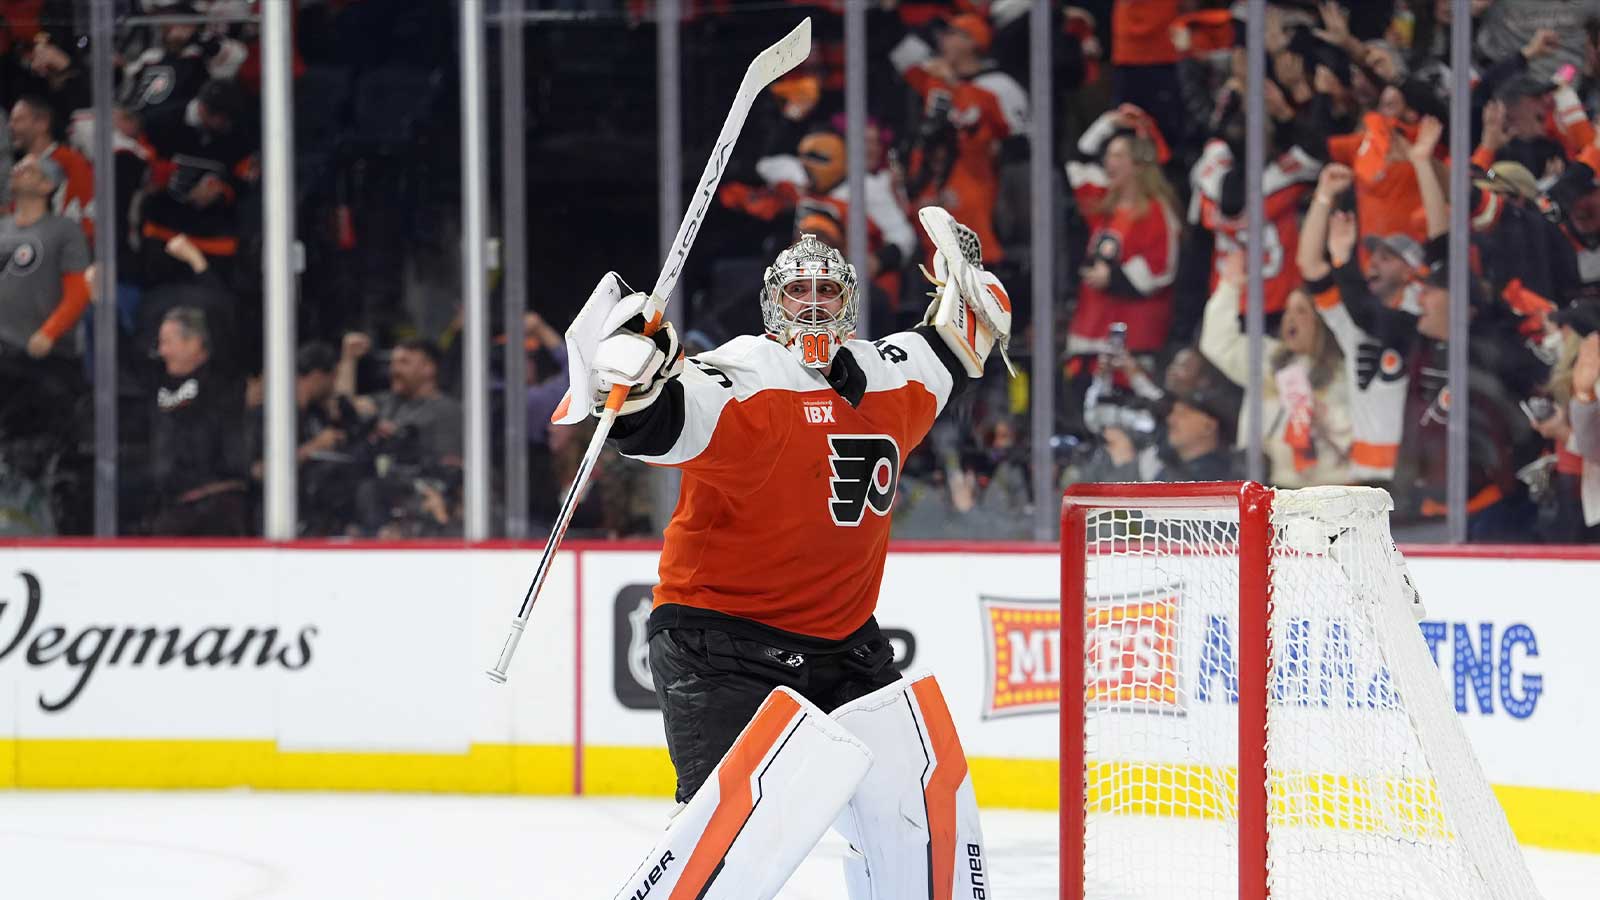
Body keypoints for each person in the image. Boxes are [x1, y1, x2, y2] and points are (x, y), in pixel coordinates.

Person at [573, 211, 1009, 899]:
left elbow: (963, 341)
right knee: (731, 846)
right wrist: (631, 380)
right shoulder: (743, 375)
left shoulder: (895, 375)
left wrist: (975, 290)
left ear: (850, 304)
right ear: (771, 306)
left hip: (846, 648)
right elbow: (653, 421)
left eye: (826, 293)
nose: (812, 304)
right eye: (797, 293)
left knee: (925, 817)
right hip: (722, 644)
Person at [0, 154, 90, 459]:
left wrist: (50, 332)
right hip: (4, 349)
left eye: (28, 169)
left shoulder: (64, 231)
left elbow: (79, 291)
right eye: (18, 167)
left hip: (44, 356)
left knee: (41, 438)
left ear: (47, 185)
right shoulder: (2, 227)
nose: (17, 171)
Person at [148, 306, 249, 535]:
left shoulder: (223, 383)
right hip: (173, 508)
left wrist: (202, 270)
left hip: (216, 508)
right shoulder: (158, 381)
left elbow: (228, 326)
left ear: (194, 343)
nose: (162, 351)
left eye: (167, 342)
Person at [8, 95, 95, 242]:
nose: (11, 126)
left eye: (19, 120)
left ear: (43, 123)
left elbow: (87, 214)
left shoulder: (71, 162)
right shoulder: (19, 170)